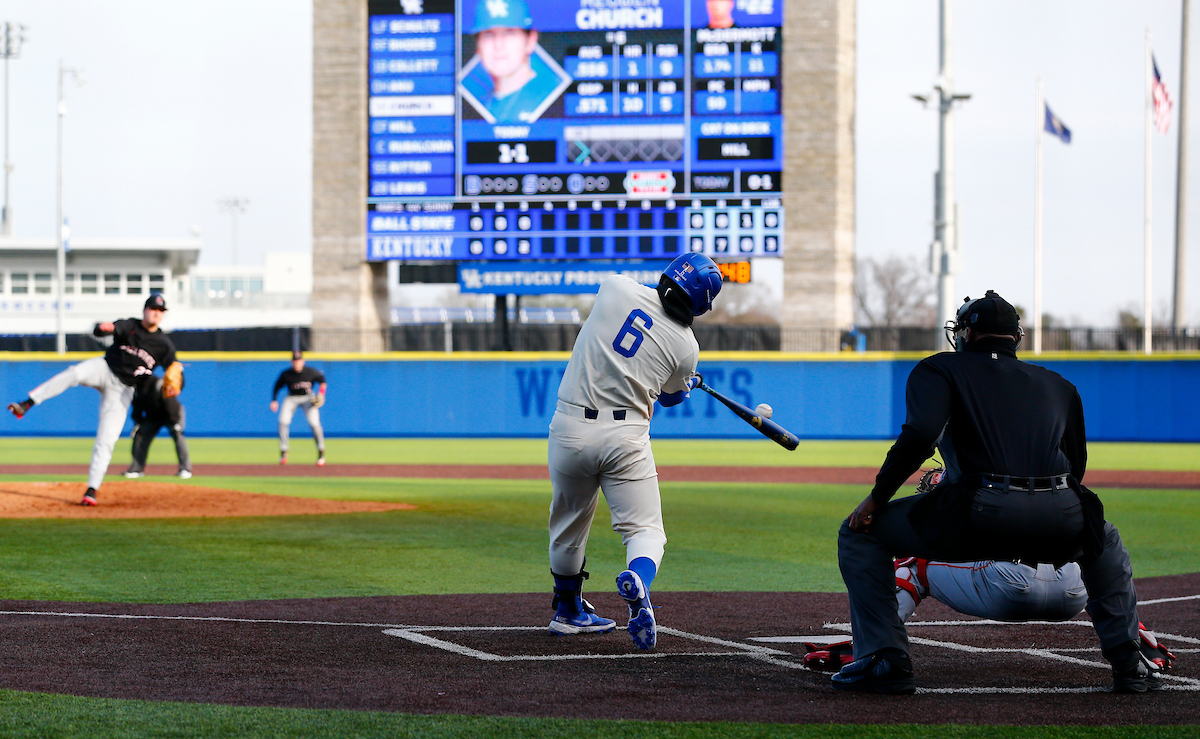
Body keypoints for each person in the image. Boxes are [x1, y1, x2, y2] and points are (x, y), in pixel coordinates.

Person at [833, 291, 1159, 695]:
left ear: (966, 333)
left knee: (858, 533)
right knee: (1104, 539)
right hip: (1060, 510)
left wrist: (876, 499)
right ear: (1016, 337)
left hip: (980, 509)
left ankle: (885, 659)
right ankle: (1130, 665)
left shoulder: (939, 369)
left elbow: (920, 435)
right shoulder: (1059, 384)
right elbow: (1076, 467)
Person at [546, 253, 723, 649]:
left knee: (568, 527)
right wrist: (686, 381)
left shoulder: (616, 288)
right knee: (645, 531)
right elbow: (672, 398)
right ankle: (639, 579)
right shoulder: (686, 346)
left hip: (570, 427)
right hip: (625, 435)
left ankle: (568, 611)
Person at [7, 294, 182, 506]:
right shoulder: (130, 325)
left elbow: (176, 370)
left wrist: (177, 385)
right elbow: (102, 331)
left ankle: (91, 490)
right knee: (74, 373)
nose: (157, 313)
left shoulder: (164, 344)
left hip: (124, 389)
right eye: (153, 308)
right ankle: (27, 403)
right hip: (105, 369)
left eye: (161, 310)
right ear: (145, 310)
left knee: (107, 438)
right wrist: (103, 328)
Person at [460, 0, 563, 123]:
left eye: (509, 33)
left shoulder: (553, 94)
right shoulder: (473, 102)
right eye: (489, 35)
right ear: (478, 46)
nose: (498, 45)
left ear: (530, 40)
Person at [123, 375, 192, 480]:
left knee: (178, 435)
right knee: (140, 434)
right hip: (153, 416)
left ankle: (185, 469)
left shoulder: (159, 385)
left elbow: (171, 403)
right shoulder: (136, 388)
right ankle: (136, 469)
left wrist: (175, 422)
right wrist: (138, 422)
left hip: (171, 414)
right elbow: (136, 407)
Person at [270, 350, 327, 466]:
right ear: (292, 362)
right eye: (295, 361)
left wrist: (321, 394)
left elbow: (322, 380)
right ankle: (284, 451)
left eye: (299, 360)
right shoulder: (286, 374)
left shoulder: (310, 372)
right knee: (282, 422)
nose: (297, 363)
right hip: (292, 397)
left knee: (314, 424)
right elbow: (277, 386)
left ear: (303, 361)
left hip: (308, 398)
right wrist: (274, 400)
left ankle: (321, 451)